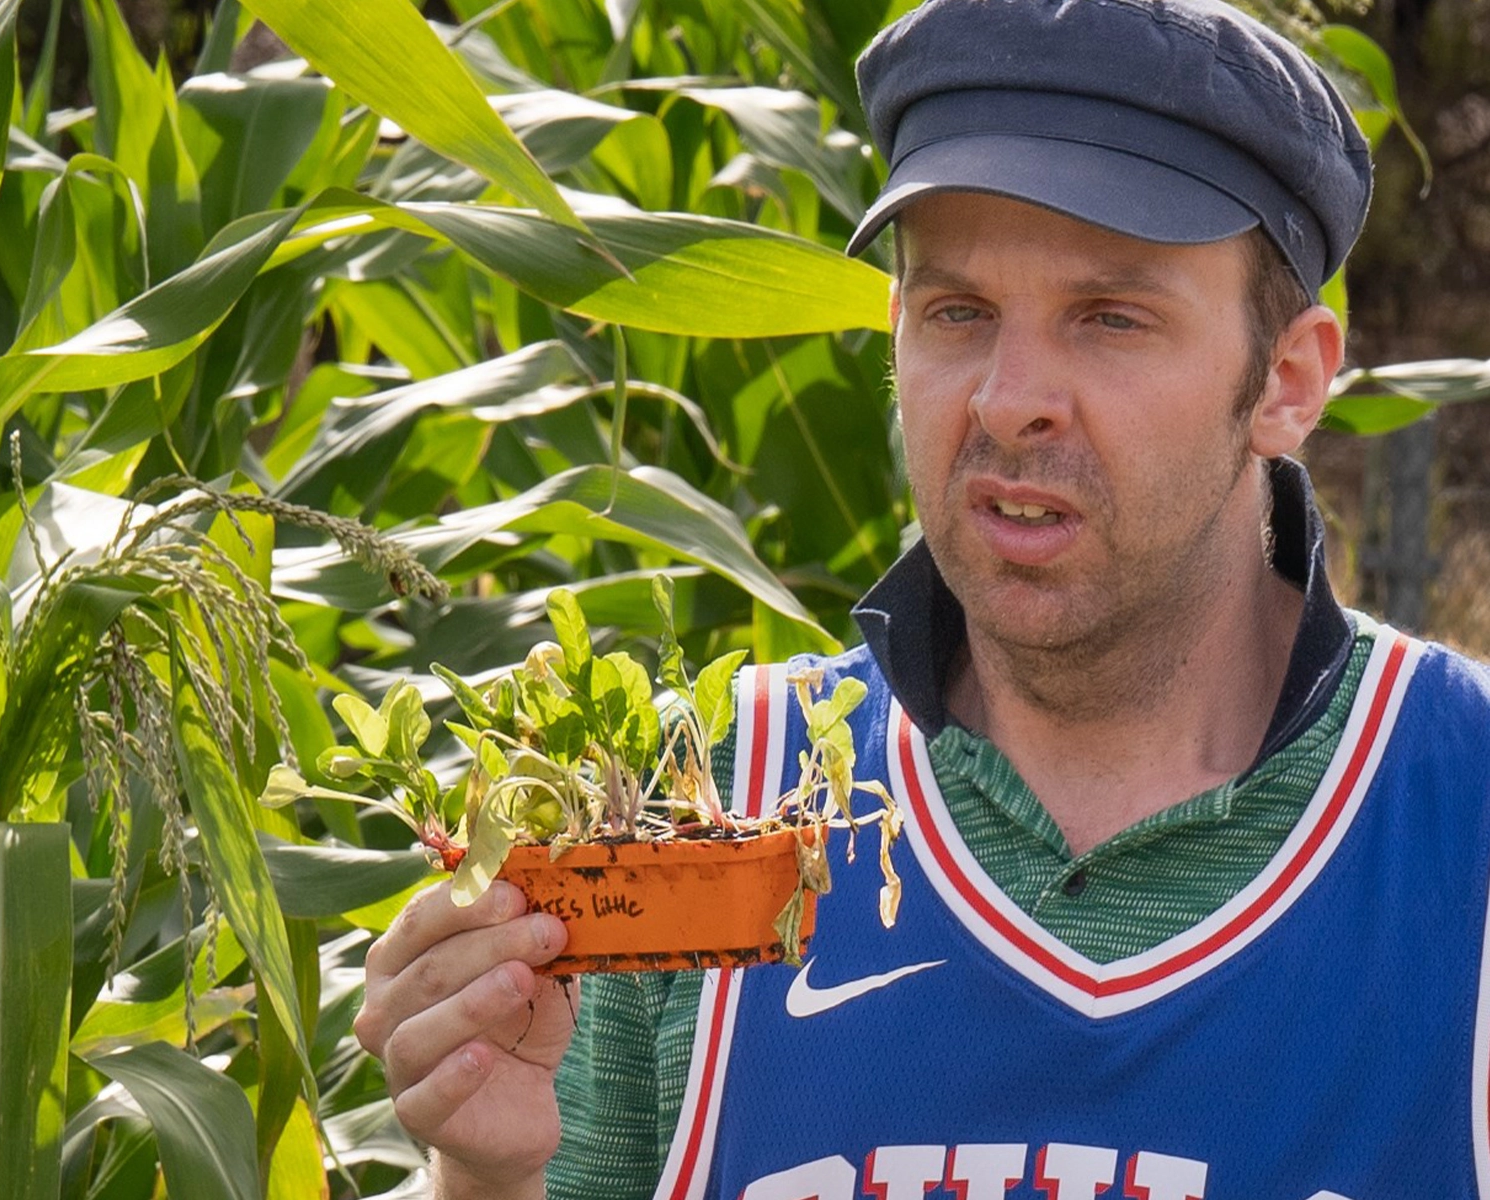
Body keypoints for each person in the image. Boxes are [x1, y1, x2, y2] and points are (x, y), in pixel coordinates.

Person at [352, 0, 1490, 1196]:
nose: (1007, 401)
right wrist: (483, 1174)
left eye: (1111, 317)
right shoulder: (704, 816)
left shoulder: (1460, 816)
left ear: (1289, 381)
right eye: (960, 311)